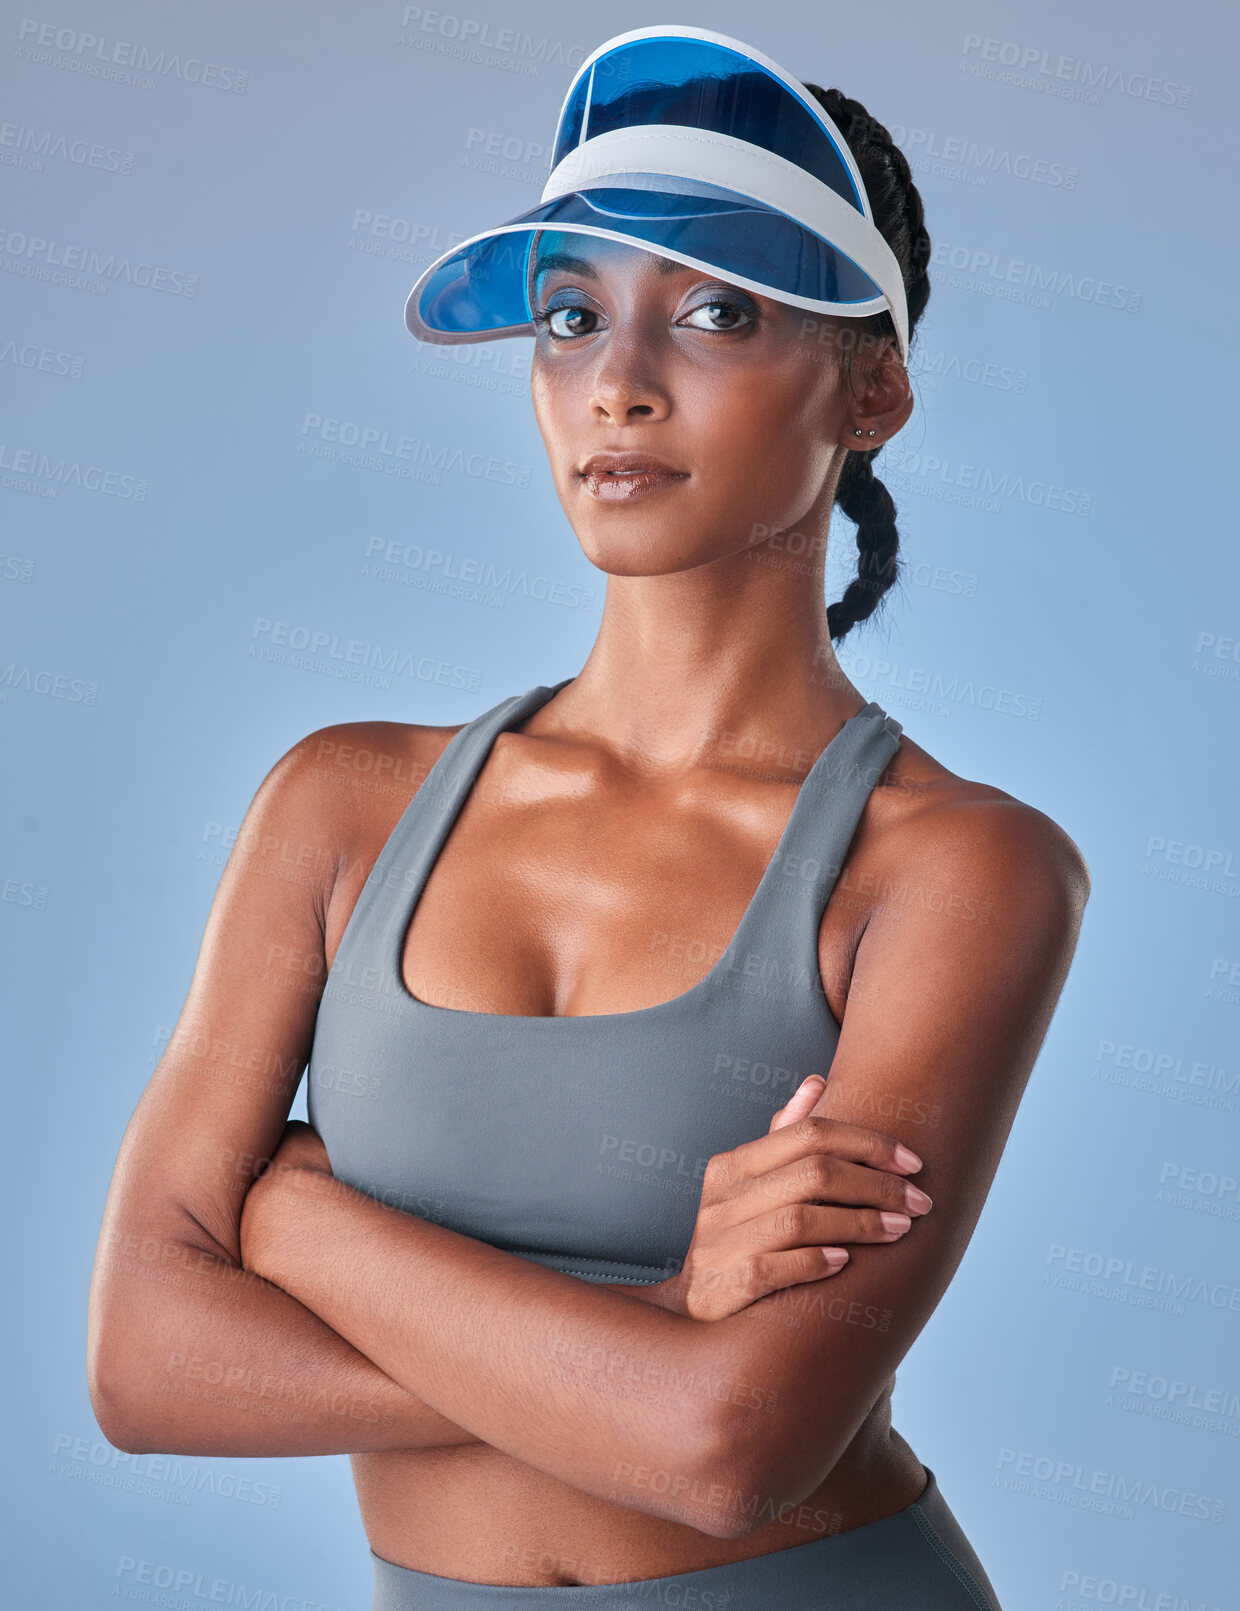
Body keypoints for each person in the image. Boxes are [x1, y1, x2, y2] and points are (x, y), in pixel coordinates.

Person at [87, 26, 1090, 1610]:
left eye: (715, 313)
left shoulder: (956, 868)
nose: (618, 384)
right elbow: (144, 1366)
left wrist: (298, 1222)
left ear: (875, 386)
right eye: (569, 320)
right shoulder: (344, 807)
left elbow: (731, 1452)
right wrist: (657, 1324)